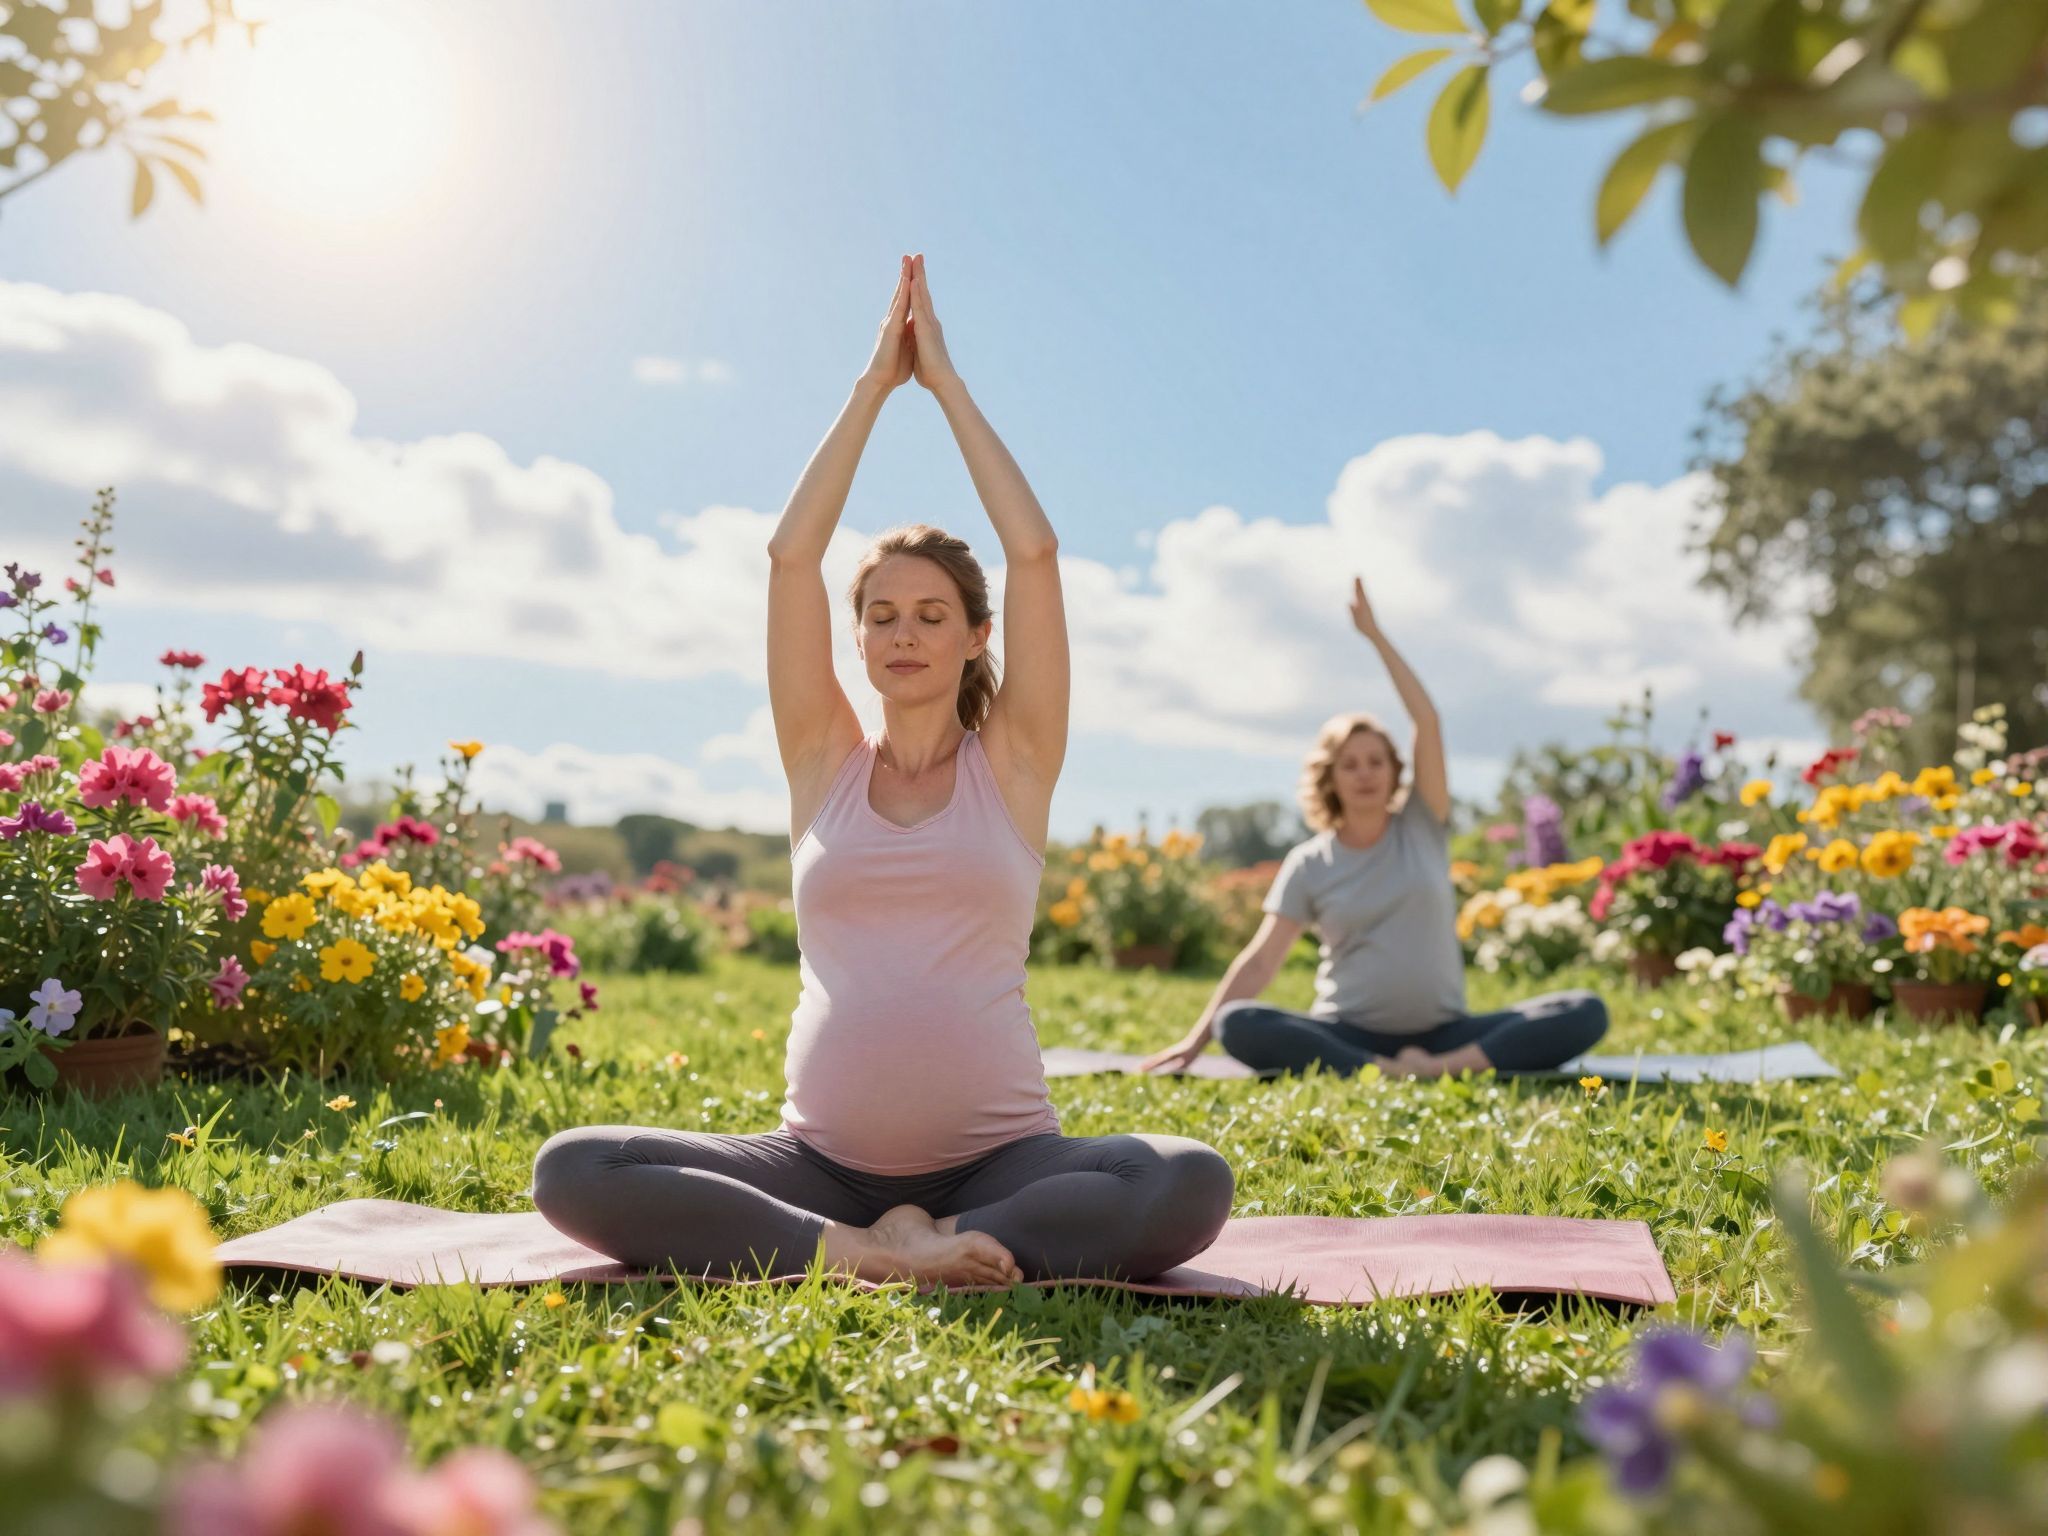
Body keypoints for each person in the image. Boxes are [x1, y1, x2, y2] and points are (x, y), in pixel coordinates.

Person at [533, 255, 1234, 1288]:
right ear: (856, 641)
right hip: (819, 1167)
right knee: (576, 1166)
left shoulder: (1016, 764)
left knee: (1183, 1181)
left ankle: (938, 1235)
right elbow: (787, 557)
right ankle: (869, 1252)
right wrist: (871, 388)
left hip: (1002, 1166)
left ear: (972, 636)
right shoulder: (822, 762)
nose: (902, 635)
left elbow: (1034, 554)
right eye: (880, 617)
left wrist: (943, 385)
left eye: (930, 615)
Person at [1139, 577, 1608, 1080]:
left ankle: (1439, 1067)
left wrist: (1376, 637)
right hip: (1347, 1033)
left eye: (1375, 762)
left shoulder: (1423, 824)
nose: (1364, 773)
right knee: (1238, 1023)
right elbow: (1259, 962)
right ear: (1330, 778)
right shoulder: (1309, 863)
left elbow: (1427, 721)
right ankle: (1383, 1068)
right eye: (1350, 764)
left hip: (1447, 1032)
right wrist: (1194, 1042)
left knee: (1585, 1011)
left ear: (1393, 771)